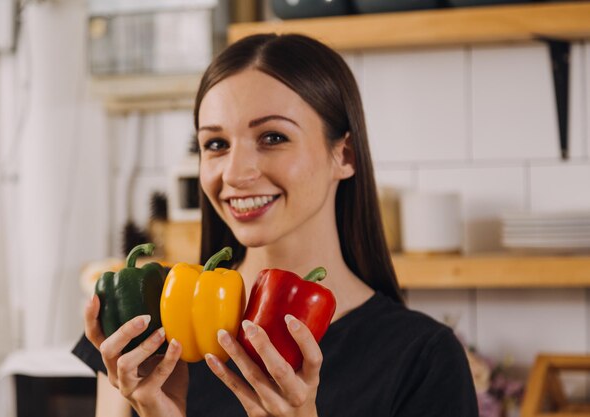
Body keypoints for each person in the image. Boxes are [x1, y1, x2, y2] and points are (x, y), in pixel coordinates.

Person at [73, 33, 478, 417]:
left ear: (346, 155)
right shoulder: (147, 335)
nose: (234, 173)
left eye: (271, 138)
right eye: (215, 144)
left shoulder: (422, 358)